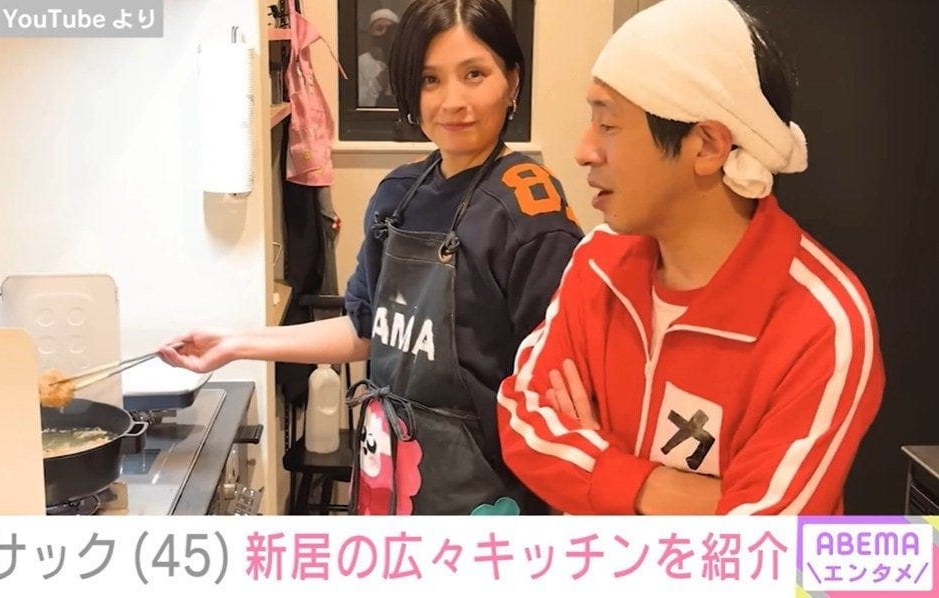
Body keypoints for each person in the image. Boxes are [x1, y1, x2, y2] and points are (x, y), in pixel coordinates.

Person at [160, 0, 582, 515]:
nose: (453, 102)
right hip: (390, 469)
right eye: (430, 80)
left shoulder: (530, 212)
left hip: (487, 495)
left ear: (512, 81)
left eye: (475, 74)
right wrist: (235, 344)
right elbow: (365, 330)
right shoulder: (399, 194)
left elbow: (561, 392)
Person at [496, 0, 884, 516]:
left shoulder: (823, 322)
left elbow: (758, 543)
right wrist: (660, 490)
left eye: (608, 125)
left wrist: (592, 466)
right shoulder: (599, 261)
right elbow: (523, 416)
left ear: (706, 146)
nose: (584, 150)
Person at [358, 8, 399, 107]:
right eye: (379, 28)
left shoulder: (406, 62)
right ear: (370, 32)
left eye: (389, 30)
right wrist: (378, 83)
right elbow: (359, 103)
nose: (384, 33)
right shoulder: (361, 63)